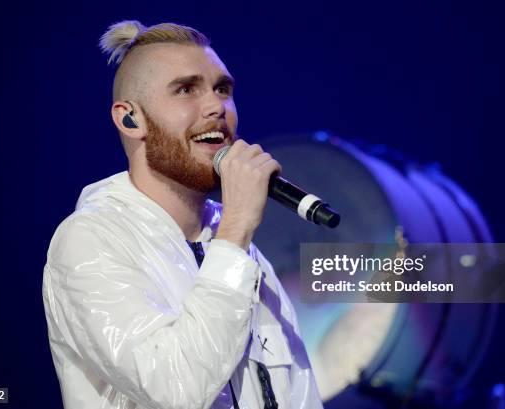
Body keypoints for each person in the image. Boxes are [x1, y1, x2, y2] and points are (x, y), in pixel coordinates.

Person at [42, 20, 322, 409]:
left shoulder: (241, 254)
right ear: (130, 119)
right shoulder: (91, 241)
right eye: (186, 89)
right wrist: (237, 228)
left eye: (222, 89)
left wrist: (233, 238)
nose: (216, 107)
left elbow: (299, 393)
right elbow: (176, 389)